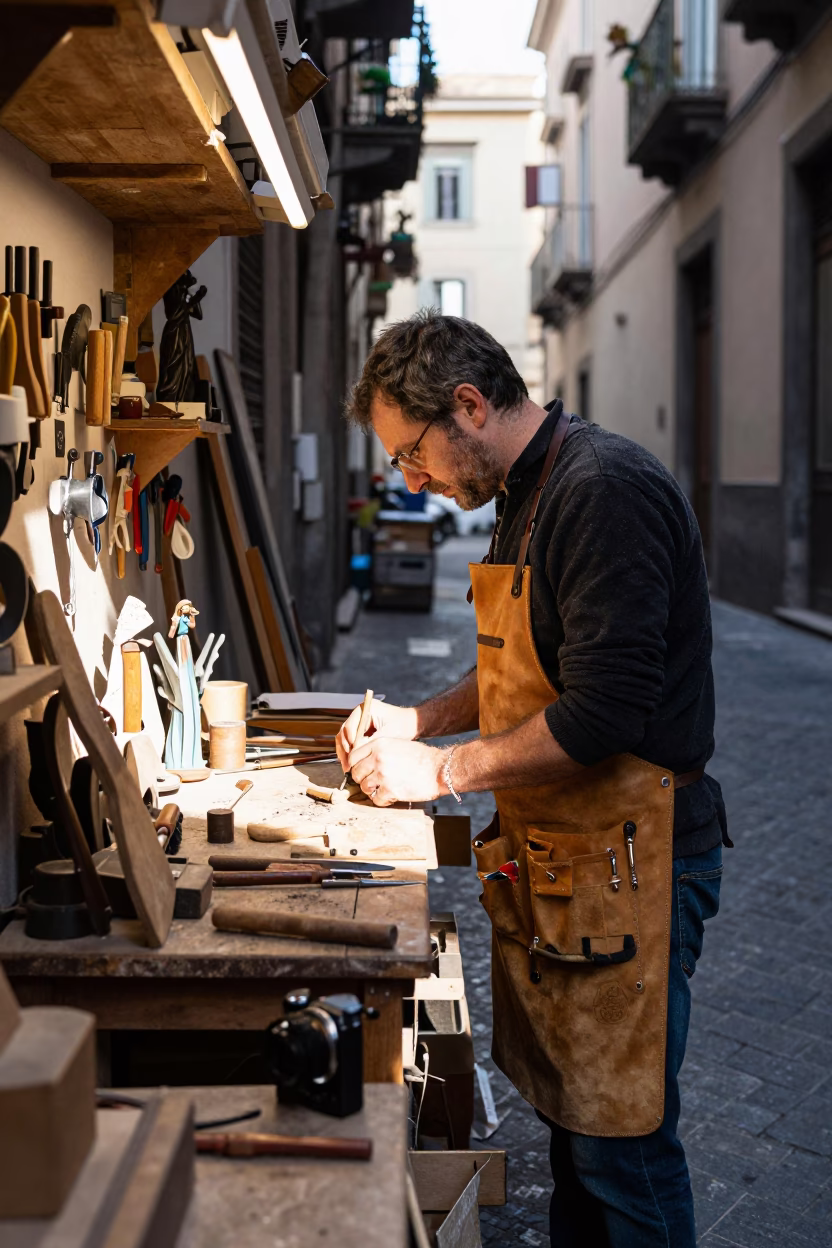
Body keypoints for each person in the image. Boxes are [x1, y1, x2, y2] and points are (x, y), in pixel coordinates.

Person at [336, 310, 729, 1248]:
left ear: (468, 405)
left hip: (641, 862)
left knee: (623, 1148)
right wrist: (417, 720)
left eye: (411, 453)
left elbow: (605, 712)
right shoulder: (527, 490)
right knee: (577, 1131)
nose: (411, 479)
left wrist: (440, 769)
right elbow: (525, 663)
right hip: (576, 859)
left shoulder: (603, 491)